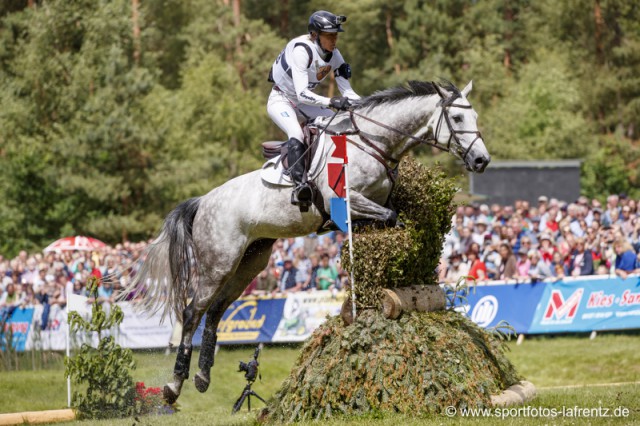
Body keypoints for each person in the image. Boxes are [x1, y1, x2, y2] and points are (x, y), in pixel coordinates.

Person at [267, 10, 360, 208]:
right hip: (282, 99)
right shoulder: (302, 50)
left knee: (340, 127)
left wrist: (368, 106)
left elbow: (348, 93)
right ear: (315, 35)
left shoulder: (334, 55)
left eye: (335, 35)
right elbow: (301, 93)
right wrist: (331, 102)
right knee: (296, 133)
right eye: (329, 36)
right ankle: (300, 187)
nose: (334, 40)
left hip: (305, 103)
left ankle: (338, 179)